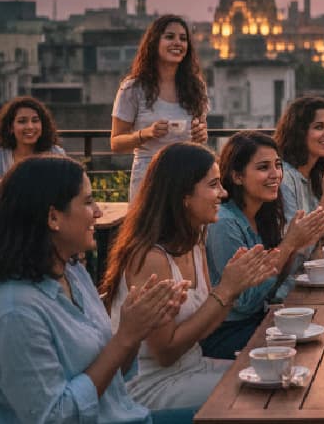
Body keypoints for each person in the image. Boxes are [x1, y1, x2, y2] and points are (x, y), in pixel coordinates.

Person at [0, 155, 194, 424]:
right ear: (53, 217)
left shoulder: (72, 272)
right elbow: (54, 418)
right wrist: (125, 335)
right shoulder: (15, 314)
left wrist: (139, 330)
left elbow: (114, 374)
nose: (98, 211)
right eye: (87, 202)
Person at [99, 143, 279, 410]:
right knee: (263, 394)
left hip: (194, 367)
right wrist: (226, 290)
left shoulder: (195, 241)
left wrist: (235, 287)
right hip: (152, 385)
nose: (223, 193)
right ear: (184, 196)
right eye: (214, 185)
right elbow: (166, 354)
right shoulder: (152, 258)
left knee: (277, 375)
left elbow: (206, 326)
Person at [201, 131, 324, 359]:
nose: (276, 175)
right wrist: (290, 243)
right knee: (314, 352)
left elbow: (271, 288)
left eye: (278, 165)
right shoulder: (224, 223)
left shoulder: (262, 214)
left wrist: (295, 246)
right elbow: (244, 302)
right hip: (228, 333)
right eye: (263, 168)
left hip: (258, 320)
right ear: (237, 176)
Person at [111, 15, 209, 199]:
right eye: (170, 37)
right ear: (154, 42)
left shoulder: (196, 87)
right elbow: (116, 143)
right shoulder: (133, 88)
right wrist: (146, 133)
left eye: (183, 38)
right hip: (149, 174)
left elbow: (200, 133)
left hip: (187, 174)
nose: (177, 43)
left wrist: (201, 134)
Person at [272, 96, 324, 229]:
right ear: (299, 132)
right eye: (319, 127)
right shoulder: (284, 178)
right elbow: (298, 246)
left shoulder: (317, 173)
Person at [0, 96, 66, 190]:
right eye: (22, 121)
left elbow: (71, 190)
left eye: (35, 120)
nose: (30, 126)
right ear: (11, 127)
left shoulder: (56, 154)